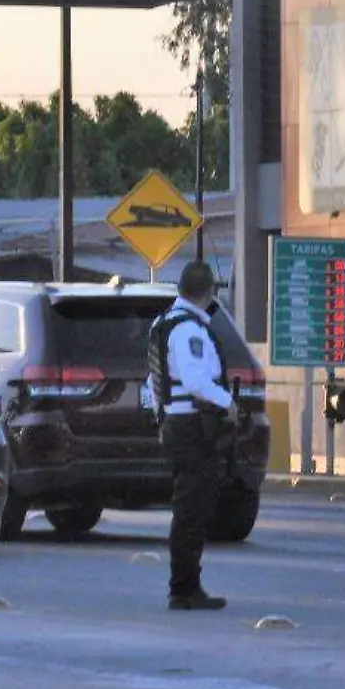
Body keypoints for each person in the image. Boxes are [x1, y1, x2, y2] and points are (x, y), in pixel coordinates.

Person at [143, 260, 242, 611]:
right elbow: (197, 381)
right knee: (192, 510)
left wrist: (161, 416)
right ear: (209, 293)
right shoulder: (190, 330)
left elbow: (152, 384)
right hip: (193, 426)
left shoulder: (163, 323)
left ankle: (185, 584)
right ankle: (184, 588)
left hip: (176, 423)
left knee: (189, 507)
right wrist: (228, 405)